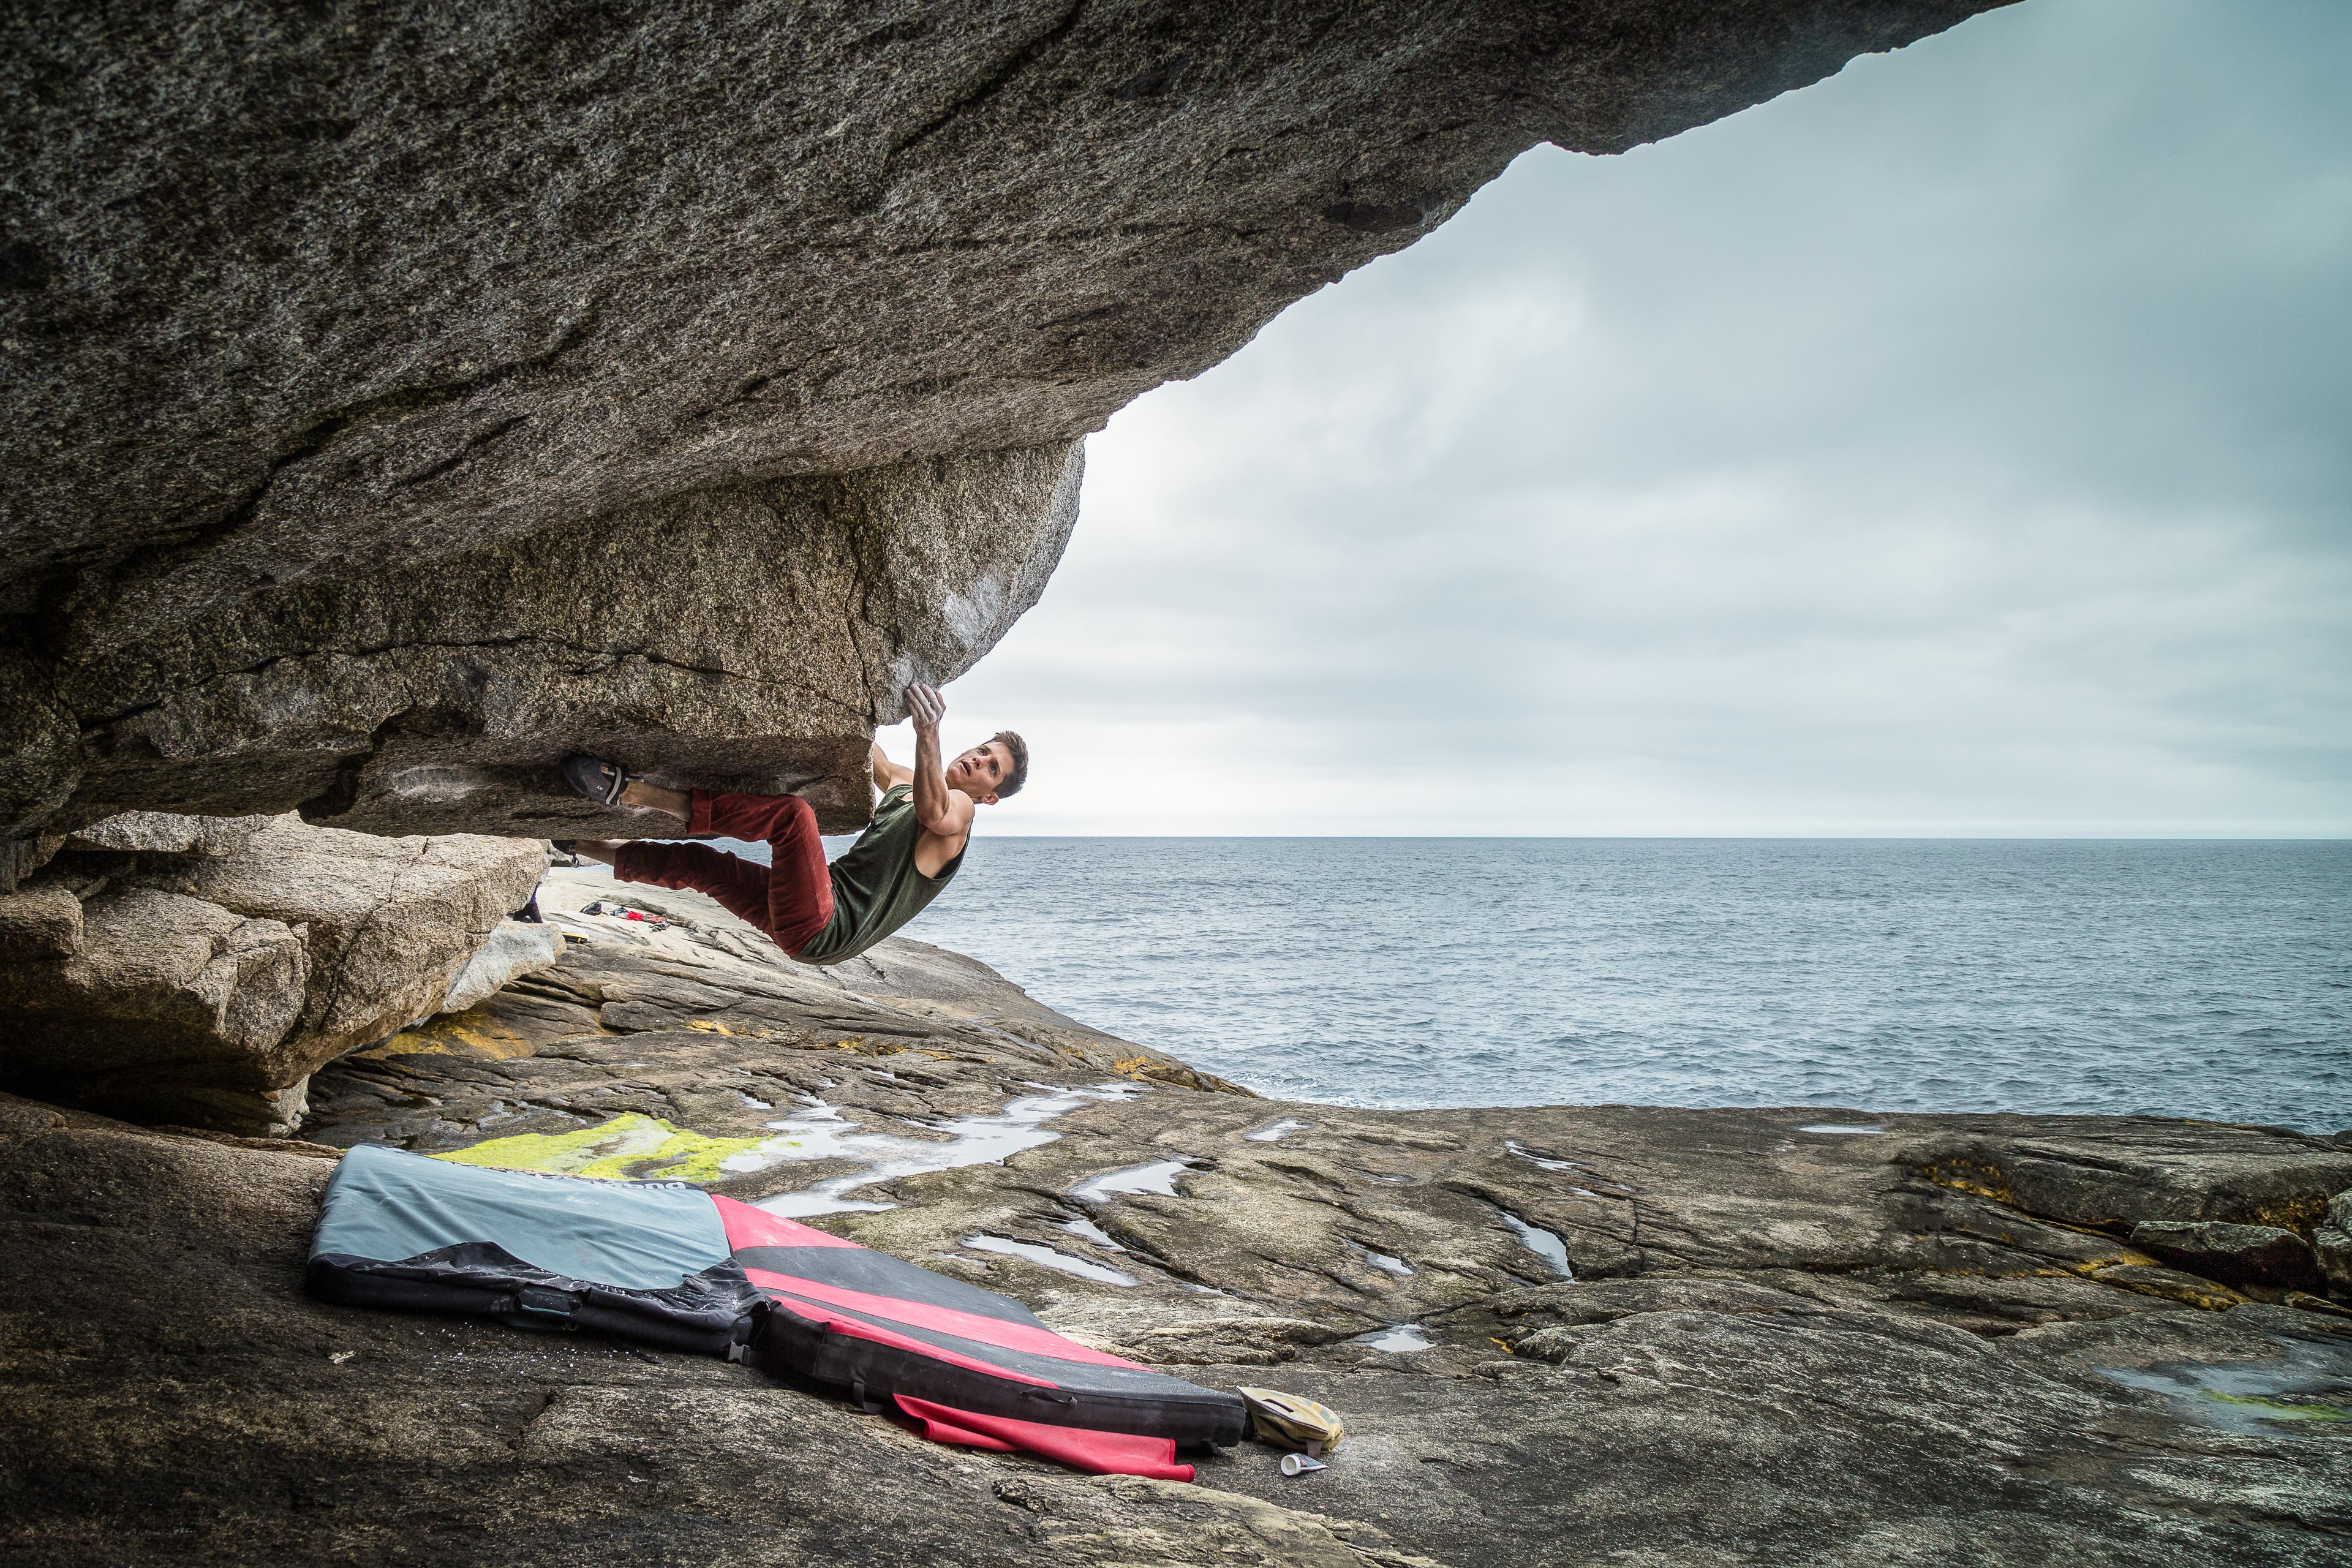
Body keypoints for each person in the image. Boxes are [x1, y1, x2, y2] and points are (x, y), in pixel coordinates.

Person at [559, 683, 1025, 965]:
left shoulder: (961, 813)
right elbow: (873, 757)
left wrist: (929, 734)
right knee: (702, 867)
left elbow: (934, 813)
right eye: (983, 750)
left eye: (991, 768)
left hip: (827, 925)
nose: (978, 760)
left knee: (793, 817)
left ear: (989, 795)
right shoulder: (907, 781)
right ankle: (579, 843)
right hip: (813, 928)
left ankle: (635, 793)